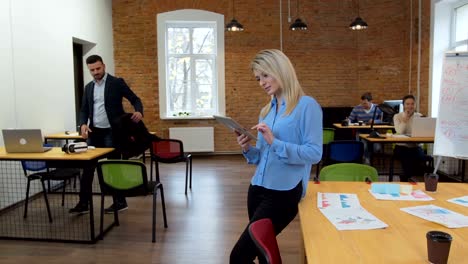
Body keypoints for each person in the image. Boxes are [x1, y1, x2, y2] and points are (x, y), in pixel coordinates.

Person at [229, 49, 322, 263]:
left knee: (239, 257)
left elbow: (314, 153)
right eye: (258, 78)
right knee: (263, 252)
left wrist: (275, 142)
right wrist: (246, 148)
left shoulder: (307, 105)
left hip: (284, 193)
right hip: (257, 189)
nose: (261, 82)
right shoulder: (266, 111)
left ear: (280, 70)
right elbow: (261, 156)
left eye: (265, 75)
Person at [69, 54, 144, 214]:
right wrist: (82, 124)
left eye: (98, 68)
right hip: (94, 133)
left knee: (113, 167)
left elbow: (135, 99)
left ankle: (120, 202)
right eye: (92, 70)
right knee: (88, 168)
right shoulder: (89, 87)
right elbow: (84, 109)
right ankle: (84, 204)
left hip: (113, 132)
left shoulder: (116, 83)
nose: (95, 72)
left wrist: (138, 110)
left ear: (104, 66)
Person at [393, 94, 431, 182]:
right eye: (407, 104)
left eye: (412, 104)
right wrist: (405, 119)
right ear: (403, 105)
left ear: (415, 105)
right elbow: (400, 131)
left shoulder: (419, 116)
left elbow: (423, 133)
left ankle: (406, 177)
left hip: (415, 146)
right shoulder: (397, 116)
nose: (410, 106)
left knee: (415, 155)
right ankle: (407, 177)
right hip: (401, 146)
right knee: (407, 155)